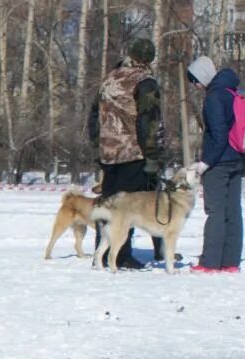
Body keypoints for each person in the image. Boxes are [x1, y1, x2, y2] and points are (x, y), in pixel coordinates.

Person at [89, 38, 167, 270]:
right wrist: (153, 155)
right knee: (128, 207)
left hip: (108, 153)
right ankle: (121, 256)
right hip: (133, 153)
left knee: (109, 204)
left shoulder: (110, 78)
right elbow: (149, 121)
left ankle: (101, 252)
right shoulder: (145, 82)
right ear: (149, 59)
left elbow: (93, 116)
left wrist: (98, 146)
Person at [186, 56, 245, 274]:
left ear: (202, 77)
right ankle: (230, 261)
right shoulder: (232, 91)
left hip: (219, 162)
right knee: (233, 210)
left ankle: (210, 262)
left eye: (194, 80)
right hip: (237, 158)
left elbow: (218, 135)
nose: (194, 86)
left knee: (215, 211)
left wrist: (205, 163)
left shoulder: (213, 97)